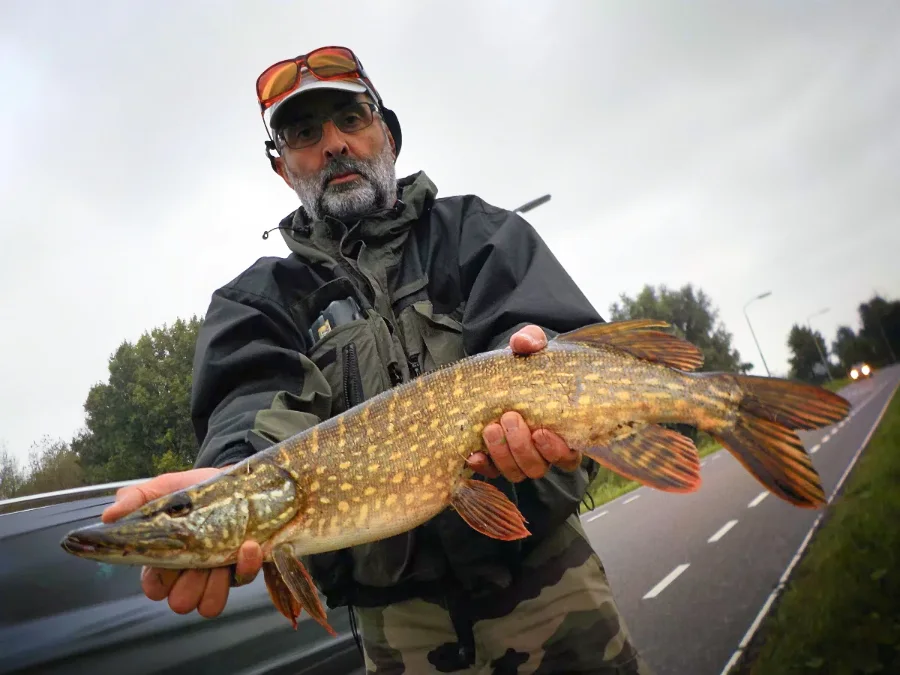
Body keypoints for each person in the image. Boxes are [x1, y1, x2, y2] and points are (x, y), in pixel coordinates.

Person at [103, 46, 651, 674]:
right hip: (400, 637)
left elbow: (562, 340)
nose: (333, 144)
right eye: (305, 133)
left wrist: (541, 352)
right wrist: (229, 476)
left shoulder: (479, 234)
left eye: (351, 120)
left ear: (386, 134)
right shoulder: (258, 303)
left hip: (556, 591)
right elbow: (249, 411)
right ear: (283, 168)